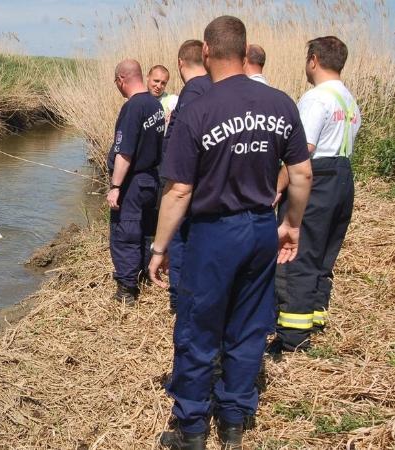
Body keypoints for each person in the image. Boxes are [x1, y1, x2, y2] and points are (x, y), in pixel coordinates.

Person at [148, 16, 312, 450]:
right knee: (248, 326)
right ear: (245, 51)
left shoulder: (198, 108)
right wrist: (291, 224)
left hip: (214, 234)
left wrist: (160, 246)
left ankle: (192, 428)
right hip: (261, 227)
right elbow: (301, 175)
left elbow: (180, 189)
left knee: (199, 329)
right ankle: (235, 418)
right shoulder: (282, 104)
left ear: (206, 52)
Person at [272, 36, 361, 353]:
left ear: (313, 59)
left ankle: (292, 338)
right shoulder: (348, 100)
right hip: (342, 178)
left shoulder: (315, 99)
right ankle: (315, 320)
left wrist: (277, 187)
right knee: (324, 254)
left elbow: (302, 155)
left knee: (297, 256)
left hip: (318, 178)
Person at [107, 59, 165, 304]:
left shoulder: (133, 107)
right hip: (152, 179)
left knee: (126, 232)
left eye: (116, 83)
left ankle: (127, 288)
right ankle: (140, 272)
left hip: (133, 181)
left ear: (122, 79)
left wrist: (116, 186)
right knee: (143, 231)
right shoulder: (155, 104)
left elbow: (125, 152)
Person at [162, 39, 214, 313]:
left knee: (180, 238)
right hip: (211, 184)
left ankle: (179, 299)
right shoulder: (216, 87)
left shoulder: (192, 92)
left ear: (180, 63)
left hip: (188, 182)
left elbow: (183, 144)